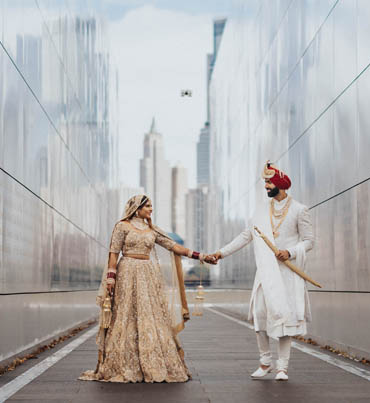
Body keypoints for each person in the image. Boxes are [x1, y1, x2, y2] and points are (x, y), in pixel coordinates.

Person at [80, 194, 214, 383]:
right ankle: (125, 363)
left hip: (148, 274)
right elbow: (113, 254)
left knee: (150, 313)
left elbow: (174, 246)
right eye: (148, 206)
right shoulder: (122, 226)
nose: (151, 209)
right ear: (137, 208)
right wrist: (110, 279)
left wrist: (202, 256)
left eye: (151, 206)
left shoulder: (152, 230)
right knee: (126, 313)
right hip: (126, 272)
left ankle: (152, 360)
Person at [209, 162, 315, 381]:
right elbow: (245, 236)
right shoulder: (260, 211)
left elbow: (309, 241)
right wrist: (221, 253)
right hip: (266, 273)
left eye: (268, 182)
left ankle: (282, 368)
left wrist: (290, 252)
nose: (266, 186)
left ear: (279, 184)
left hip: (287, 273)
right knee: (259, 314)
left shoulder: (299, 210)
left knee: (285, 320)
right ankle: (265, 362)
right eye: (265, 183)